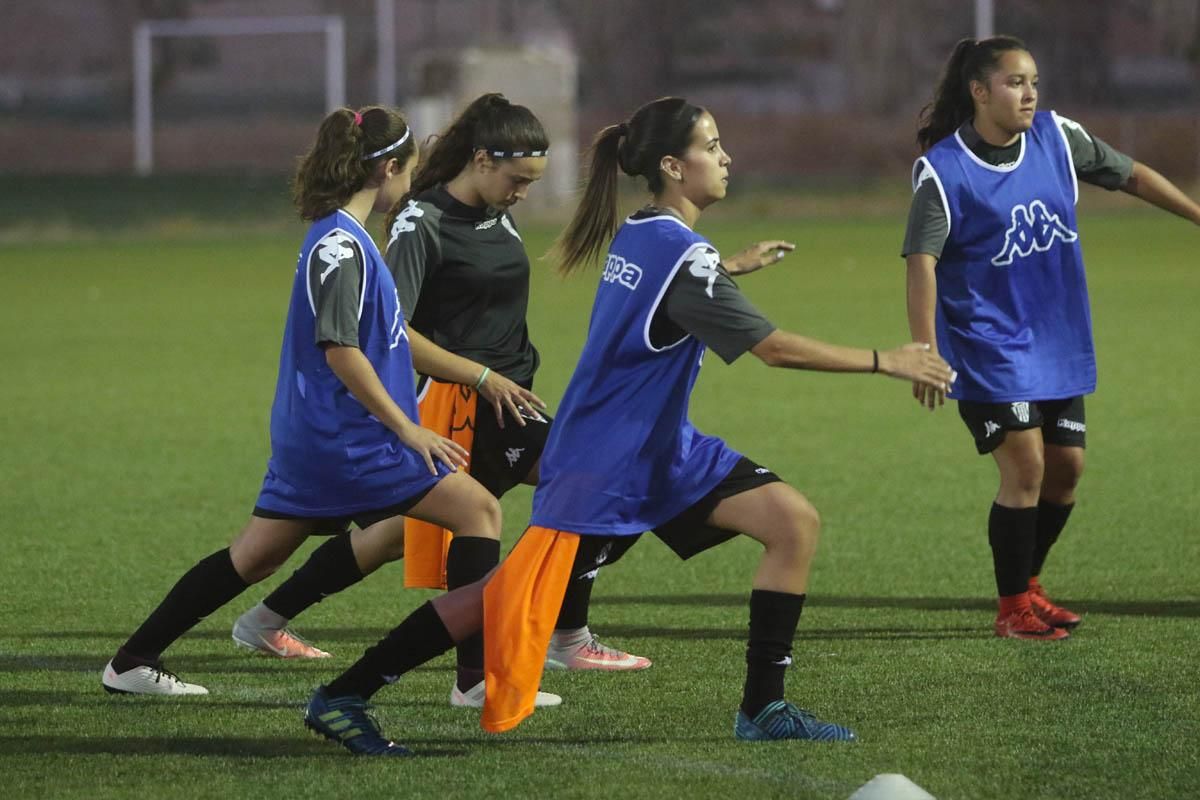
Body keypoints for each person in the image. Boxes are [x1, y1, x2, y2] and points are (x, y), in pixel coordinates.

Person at [301, 96, 954, 756]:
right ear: (673, 165)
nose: (726, 157)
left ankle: (764, 707)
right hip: (605, 463)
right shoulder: (677, 253)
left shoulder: (644, 232)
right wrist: (888, 360)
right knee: (501, 596)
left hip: (663, 451)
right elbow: (773, 348)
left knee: (792, 522)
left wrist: (728, 268)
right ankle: (345, 693)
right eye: (712, 145)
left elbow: (671, 294)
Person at [231, 94, 646, 711]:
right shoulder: (418, 222)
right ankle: (551, 640)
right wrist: (481, 376)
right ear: (481, 159)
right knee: (598, 481)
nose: (523, 194)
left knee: (397, 533)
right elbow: (393, 333)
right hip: (464, 403)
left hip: (506, 399)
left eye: (532, 183)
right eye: (516, 179)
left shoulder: (493, 214)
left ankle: (266, 617)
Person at [101, 105, 501, 698]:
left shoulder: (343, 238)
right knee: (480, 512)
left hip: (318, 437)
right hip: (351, 440)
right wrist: (408, 429)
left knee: (254, 557)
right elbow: (341, 349)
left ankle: (131, 661)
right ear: (388, 168)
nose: (410, 182)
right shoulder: (341, 247)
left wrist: (477, 377)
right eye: (409, 170)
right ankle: (476, 680)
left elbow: (386, 336)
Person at [903, 36, 1200, 640]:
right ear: (979, 91)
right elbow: (921, 263)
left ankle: (1029, 583)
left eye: (1034, 80)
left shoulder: (1058, 138)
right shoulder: (944, 171)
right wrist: (922, 349)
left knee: (1067, 470)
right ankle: (1012, 608)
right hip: (987, 346)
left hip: (1056, 341)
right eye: (1014, 82)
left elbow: (1133, 176)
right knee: (1027, 467)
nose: (1029, 93)